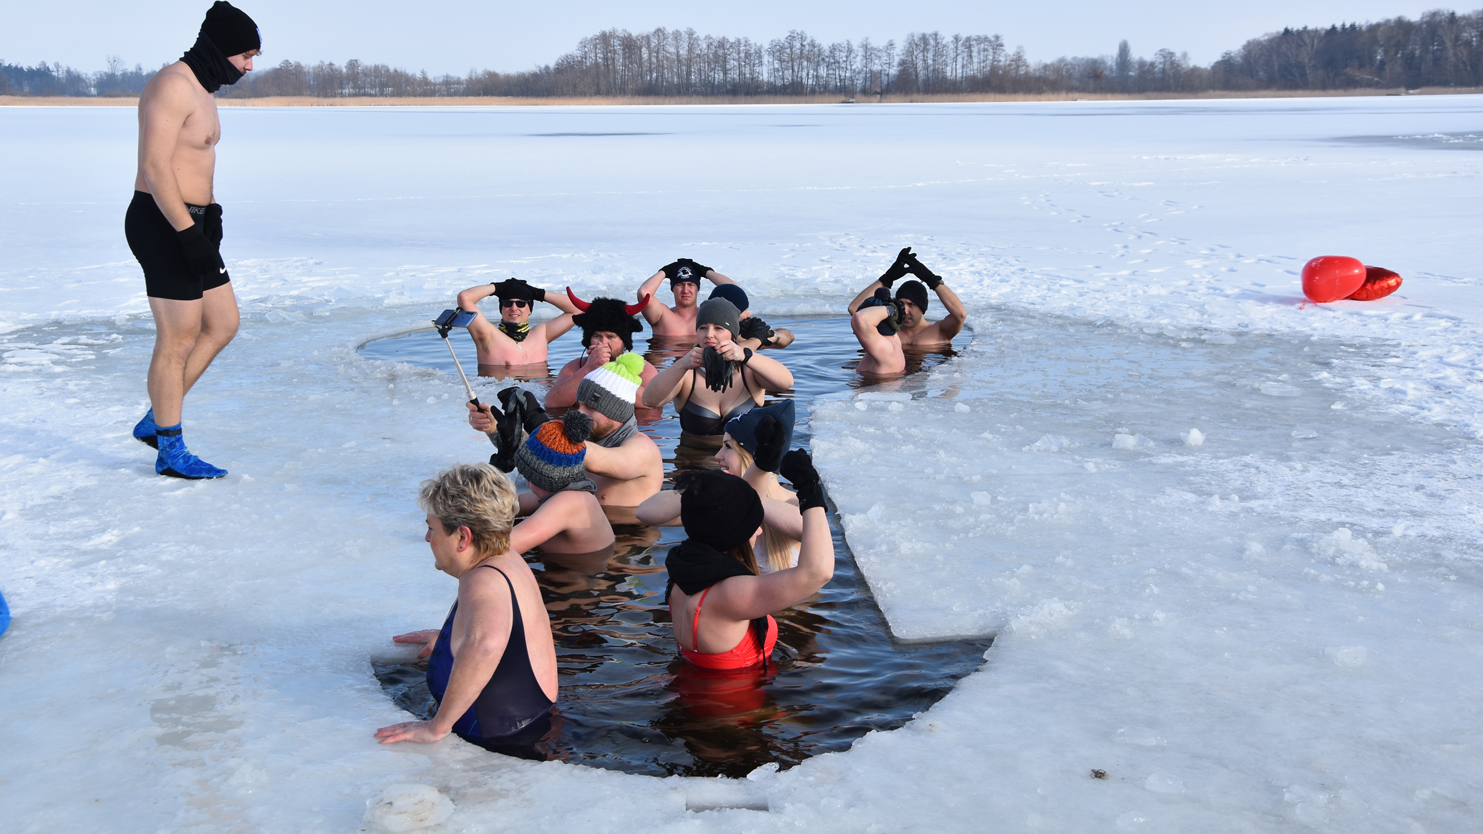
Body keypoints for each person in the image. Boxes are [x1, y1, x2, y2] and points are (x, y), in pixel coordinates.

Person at [126, 1, 261, 479]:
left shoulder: (203, 89)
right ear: (221, 49)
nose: (249, 66)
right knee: (178, 337)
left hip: (192, 223)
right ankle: (170, 448)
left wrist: (210, 215)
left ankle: (157, 417)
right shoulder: (171, 86)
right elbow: (155, 168)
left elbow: (194, 162)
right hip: (164, 224)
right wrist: (187, 232)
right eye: (246, 55)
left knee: (222, 322)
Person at [375, 464, 558, 751]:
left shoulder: (483, 581)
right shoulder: (506, 557)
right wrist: (450, 640)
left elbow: (487, 643)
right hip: (527, 721)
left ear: (463, 537)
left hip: (498, 739)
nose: (427, 538)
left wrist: (437, 726)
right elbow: (498, 633)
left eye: (431, 528)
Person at [663, 450, 833, 672]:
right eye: (754, 525)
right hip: (741, 705)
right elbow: (818, 572)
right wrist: (810, 491)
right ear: (734, 534)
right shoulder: (731, 593)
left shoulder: (681, 572)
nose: (760, 531)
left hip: (691, 689)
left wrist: (762, 463)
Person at [470, 354, 663, 508]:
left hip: (624, 547)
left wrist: (538, 423)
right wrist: (495, 429)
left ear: (616, 412)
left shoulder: (643, 449)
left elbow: (592, 456)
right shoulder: (588, 441)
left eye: (590, 408)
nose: (580, 413)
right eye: (579, 405)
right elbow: (543, 491)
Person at [637, 402, 802, 574]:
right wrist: (705, 488)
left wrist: (741, 493)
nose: (718, 456)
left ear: (751, 455)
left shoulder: (795, 502)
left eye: (728, 447)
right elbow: (645, 512)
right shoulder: (721, 500)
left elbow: (808, 531)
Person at [641, 297, 794, 447]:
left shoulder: (749, 369)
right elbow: (649, 400)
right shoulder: (686, 373)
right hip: (694, 464)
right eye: (703, 328)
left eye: (718, 328)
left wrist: (745, 355)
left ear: (732, 334)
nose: (709, 334)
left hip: (741, 468)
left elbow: (786, 382)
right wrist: (681, 364)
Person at [508, 412, 615, 554]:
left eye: (531, 479)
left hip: (575, 573)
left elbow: (506, 546)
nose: (527, 485)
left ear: (548, 479)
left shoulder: (569, 502)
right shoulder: (561, 493)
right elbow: (512, 504)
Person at [544, 291, 659, 409]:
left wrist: (609, 372)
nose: (603, 343)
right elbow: (551, 403)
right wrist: (588, 369)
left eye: (610, 337)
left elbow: (653, 403)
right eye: (597, 336)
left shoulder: (644, 370)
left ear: (624, 342)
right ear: (588, 340)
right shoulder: (573, 368)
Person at [846, 247, 967, 348]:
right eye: (901, 303)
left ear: (922, 308)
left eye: (911, 304)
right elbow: (855, 309)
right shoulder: (886, 328)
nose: (904, 310)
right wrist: (887, 278)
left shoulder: (940, 331)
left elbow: (960, 315)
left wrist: (931, 280)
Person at [456, 278, 579, 369]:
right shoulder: (488, 335)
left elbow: (577, 310)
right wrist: (498, 287)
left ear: (530, 309)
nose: (514, 308)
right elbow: (465, 298)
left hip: (539, 400)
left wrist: (537, 293)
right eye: (508, 303)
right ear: (501, 308)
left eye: (521, 303)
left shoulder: (542, 334)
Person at [637, 258, 739, 338]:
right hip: (667, 365)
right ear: (673, 288)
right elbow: (643, 293)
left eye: (691, 284)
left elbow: (736, 293)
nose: (685, 290)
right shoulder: (662, 315)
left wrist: (706, 271)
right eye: (680, 285)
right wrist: (664, 272)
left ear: (697, 288)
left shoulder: (708, 315)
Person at [706, 284, 795, 351]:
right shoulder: (707, 337)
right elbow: (735, 353)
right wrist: (757, 339)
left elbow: (789, 337)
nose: (749, 315)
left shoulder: (741, 336)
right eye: (744, 310)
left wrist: (769, 335)